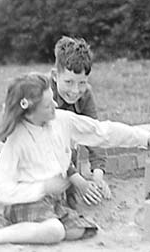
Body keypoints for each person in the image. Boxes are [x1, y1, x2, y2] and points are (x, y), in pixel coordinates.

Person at [0, 73, 150, 244]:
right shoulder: (17, 139)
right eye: (47, 106)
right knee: (55, 231)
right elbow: (1, 187)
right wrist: (42, 187)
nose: (54, 105)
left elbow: (101, 131)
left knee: (80, 230)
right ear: (30, 112)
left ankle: (26, 229)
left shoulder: (61, 120)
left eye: (52, 99)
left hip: (53, 202)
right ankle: (1, 235)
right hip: (27, 203)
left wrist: (144, 138)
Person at [51, 36, 109, 208]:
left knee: (72, 145)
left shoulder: (85, 95)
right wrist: (79, 180)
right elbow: (51, 144)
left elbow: (94, 132)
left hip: (63, 153)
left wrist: (97, 176)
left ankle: (69, 195)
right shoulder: (44, 95)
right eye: (68, 82)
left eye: (82, 83)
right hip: (32, 155)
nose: (75, 90)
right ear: (55, 76)